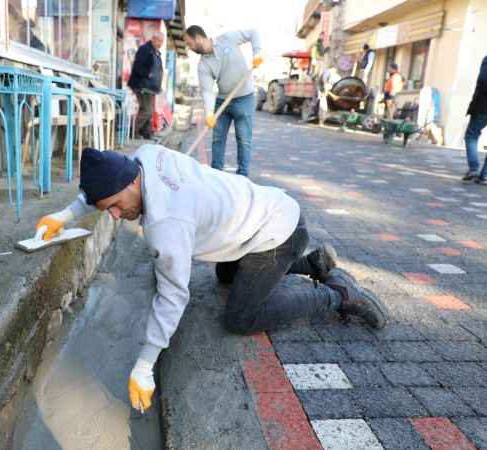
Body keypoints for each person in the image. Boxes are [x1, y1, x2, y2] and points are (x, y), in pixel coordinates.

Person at [35, 145, 389, 413]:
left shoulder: (165, 226)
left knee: (240, 318)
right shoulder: (144, 155)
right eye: (104, 210)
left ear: (131, 181)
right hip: (268, 212)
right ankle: (314, 263)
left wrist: (145, 364)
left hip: (277, 232)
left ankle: (338, 294)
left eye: (114, 205)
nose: (114, 216)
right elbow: (101, 186)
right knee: (225, 273)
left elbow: (173, 296)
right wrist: (65, 214)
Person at [183, 25, 263, 177]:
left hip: (244, 98)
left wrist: (257, 53)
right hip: (223, 101)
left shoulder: (227, 39)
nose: (189, 47)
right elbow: (207, 91)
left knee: (244, 139)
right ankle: (216, 176)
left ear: (198, 38)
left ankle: (242, 177)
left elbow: (253, 32)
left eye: (189, 43)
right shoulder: (203, 65)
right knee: (217, 140)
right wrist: (209, 114)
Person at [128, 32, 165, 140]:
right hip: (142, 85)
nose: (160, 44)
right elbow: (137, 66)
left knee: (148, 110)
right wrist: (148, 74)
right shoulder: (145, 49)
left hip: (151, 87)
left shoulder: (155, 51)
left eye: (162, 42)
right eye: (159, 41)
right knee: (146, 110)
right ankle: (133, 131)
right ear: (153, 39)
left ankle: (147, 133)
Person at [463, 55, 487, 184]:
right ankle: (485, 176)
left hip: (483, 106)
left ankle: (474, 168)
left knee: (471, 136)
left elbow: (484, 80)